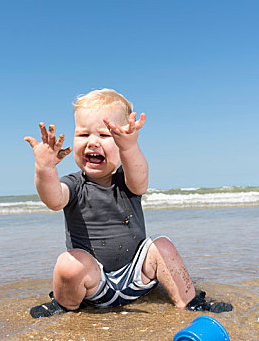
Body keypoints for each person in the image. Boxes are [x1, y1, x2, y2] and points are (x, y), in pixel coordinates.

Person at [24, 88, 232, 318]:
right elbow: (53, 199)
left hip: (137, 277)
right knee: (68, 264)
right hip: (94, 284)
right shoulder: (74, 184)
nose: (92, 142)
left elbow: (140, 180)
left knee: (162, 246)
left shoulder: (126, 179)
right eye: (83, 135)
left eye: (104, 135)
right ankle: (64, 305)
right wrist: (45, 168)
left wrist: (130, 147)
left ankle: (190, 301)